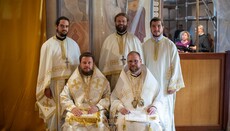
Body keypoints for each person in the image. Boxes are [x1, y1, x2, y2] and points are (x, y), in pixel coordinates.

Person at [35, 16, 81, 131]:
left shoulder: (74, 45)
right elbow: (44, 68)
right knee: (55, 113)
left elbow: (78, 67)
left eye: (66, 26)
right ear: (56, 26)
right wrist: (45, 87)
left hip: (70, 84)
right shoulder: (47, 45)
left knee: (70, 110)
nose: (64, 28)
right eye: (62, 26)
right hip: (54, 85)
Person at [143, 17, 185, 131]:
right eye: (153, 26)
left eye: (158, 26)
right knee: (150, 114)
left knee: (165, 115)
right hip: (149, 88)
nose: (156, 29)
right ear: (150, 28)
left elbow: (176, 66)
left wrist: (172, 85)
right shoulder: (144, 46)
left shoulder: (170, 45)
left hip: (165, 88)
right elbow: (142, 67)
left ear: (162, 27)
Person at [110, 51, 163, 131]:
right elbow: (114, 97)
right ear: (127, 63)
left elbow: (159, 96)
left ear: (141, 62)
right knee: (121, 123)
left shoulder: (149, 78)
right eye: (130, 61)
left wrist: (154, 106)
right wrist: (120, 108)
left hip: (145, 111)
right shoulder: (123, 79)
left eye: (135, 61)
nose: (133, 64)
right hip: (127, 111)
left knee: (153, 124)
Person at [60, 52, 111, 131]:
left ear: (93, 64)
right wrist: (72, 108)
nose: (87, 65)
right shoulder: (73, 80)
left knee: (100, 125)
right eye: (84, 63)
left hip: (95, 111)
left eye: (89, 63)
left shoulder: (102, 81)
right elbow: (64, 96)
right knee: (70, 125)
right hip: (78, 111)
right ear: (80, 64)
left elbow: (108, 97)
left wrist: (98, 107)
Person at [99, 12, 144, 92]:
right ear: (115, 23)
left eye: (123, 21)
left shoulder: (134, 40)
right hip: (113, 78)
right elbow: (103, 61)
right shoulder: (108, 40)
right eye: (118, 21)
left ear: (127, 23)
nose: (121, 23)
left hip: (130, 76)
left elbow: (141, 61)